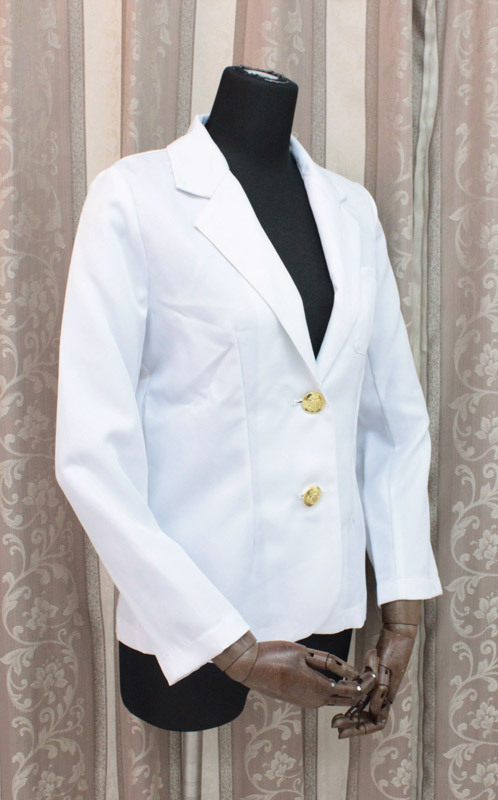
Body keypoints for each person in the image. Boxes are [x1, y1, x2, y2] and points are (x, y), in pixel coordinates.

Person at [55, 65, 443, 735]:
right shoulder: (135, 198)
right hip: (189, 616)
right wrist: (230, 648)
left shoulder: (352, 212)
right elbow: (92, 453)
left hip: (325, 601)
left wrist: (402, 607)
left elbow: (391, 421)